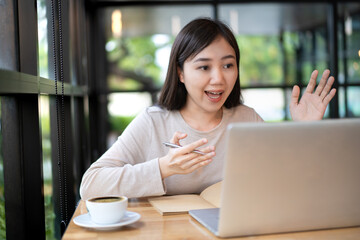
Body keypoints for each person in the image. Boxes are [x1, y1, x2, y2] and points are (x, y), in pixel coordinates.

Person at [80, 18, 336, 200]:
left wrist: (306, 130)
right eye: (204, 67)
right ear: (180, 73)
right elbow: (91, 184)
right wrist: (163, 168)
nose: (219, 79)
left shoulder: (247, 119)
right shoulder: (153, 122)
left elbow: (288, 183)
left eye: (228, 65)